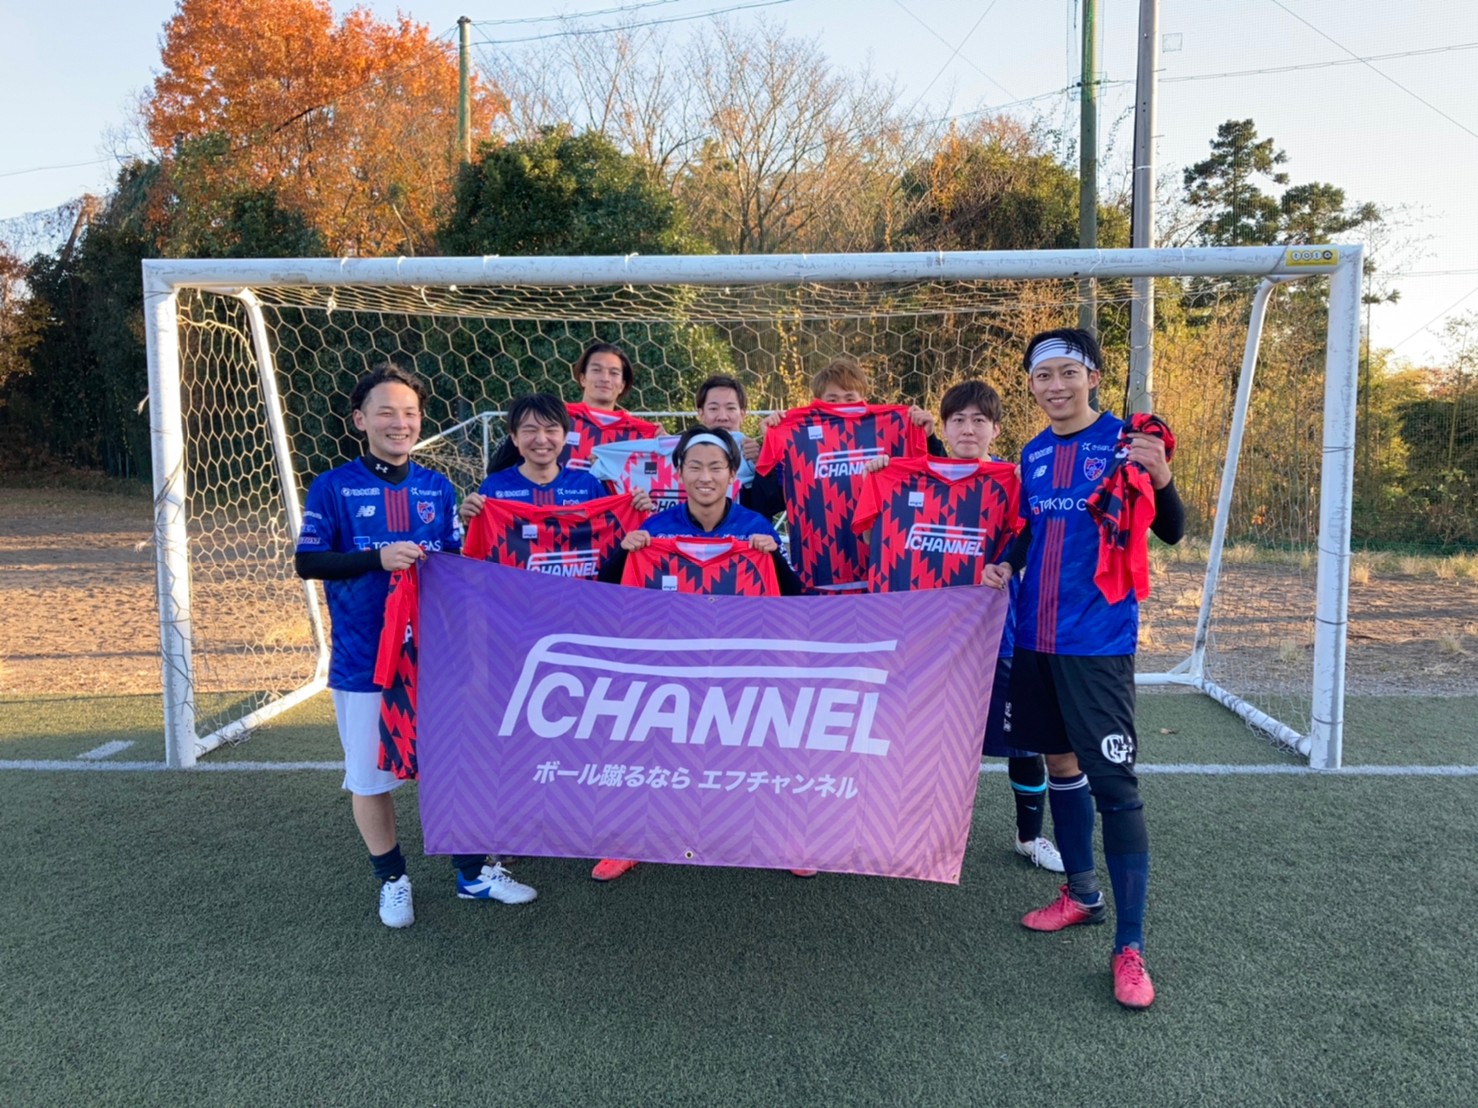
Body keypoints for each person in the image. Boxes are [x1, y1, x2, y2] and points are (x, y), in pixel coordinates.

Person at [294, 362, 535, 929]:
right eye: (386, 412)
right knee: (369, 777)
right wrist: (376, 558)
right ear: (360, 420)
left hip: (437, 658)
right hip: (366, 659)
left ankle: (472, 874)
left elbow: (453, 562)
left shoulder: (436, 487)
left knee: (457, 765)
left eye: (409, 413)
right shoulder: (333, 486)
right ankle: (392, 880)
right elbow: (308, 561)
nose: (399, 423)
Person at [983, 328, 1184, 1009]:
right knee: (1059, 762)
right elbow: (1029, 530)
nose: (1056, 386)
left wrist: (1162, 476)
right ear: (1032, 386)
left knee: (1115, 787)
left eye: (1068, 372)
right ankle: (1081, 894)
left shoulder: (1127, 441)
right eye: (1043, 376)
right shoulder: (1033, 453)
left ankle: (1130, 946)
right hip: (1034, 641)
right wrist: (1004, 561)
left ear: (1093, 377)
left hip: (1096, 645)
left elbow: (1172, 529)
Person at [853, 379, 1064, 874]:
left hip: (994, 631)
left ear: (996, 429)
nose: (969, 429)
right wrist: (879, 474)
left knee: (1022, 739)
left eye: (979, 421)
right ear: (944, 428)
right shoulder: (898, 477)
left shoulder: (1014, 481)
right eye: (958, 420)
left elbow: (1032, 539)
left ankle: (1029, 835)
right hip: (919, 635)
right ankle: (897, 830)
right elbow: (866, 533)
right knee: (907, 736)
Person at [593, 425, 807, 883]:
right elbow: (607, 592)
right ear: (679, 472)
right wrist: (625, 553)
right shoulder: (655, 528)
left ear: (732, 473)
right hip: (670, 666)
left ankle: (785, 837)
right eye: (695, 467)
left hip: (741, 666)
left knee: (763, 747)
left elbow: (794, 597)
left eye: (715, 467)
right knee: (647, 747)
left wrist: (773, 557)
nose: (705, 477)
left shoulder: (754, 526)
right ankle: (628, 840)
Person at [754, 357, 932, 593]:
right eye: (832, 400)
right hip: (820, 570)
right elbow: (764, 503)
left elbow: (929, 485)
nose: (841, 406)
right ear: (818, 401)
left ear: (863, 397)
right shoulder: (796, 431)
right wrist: (770, 441)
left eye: (850, 398)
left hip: (881, 567)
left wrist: (928, 437)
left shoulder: (894, 426)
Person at [485, 342, 662, 474]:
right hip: (552, 512)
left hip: (612, 514)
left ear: (622, 385)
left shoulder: (643, 435)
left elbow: (660, 481)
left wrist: (669, 447)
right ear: (582, 378)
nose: (605, 378)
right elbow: (496, 469)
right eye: (597, 370)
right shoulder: (552, 417)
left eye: (614, 373)